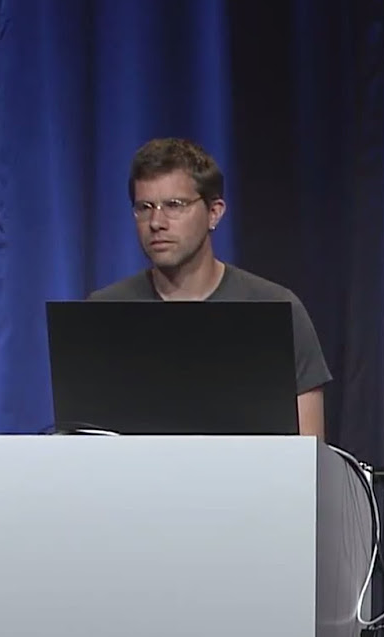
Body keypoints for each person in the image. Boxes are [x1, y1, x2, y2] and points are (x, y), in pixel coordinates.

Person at [88, 137, 332, 438]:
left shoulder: (276, 310)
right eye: (144, 207)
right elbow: (86, 445)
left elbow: (308, 452)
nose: (156, 222)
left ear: (214, 212)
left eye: (174, 205)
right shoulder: (105, 313)